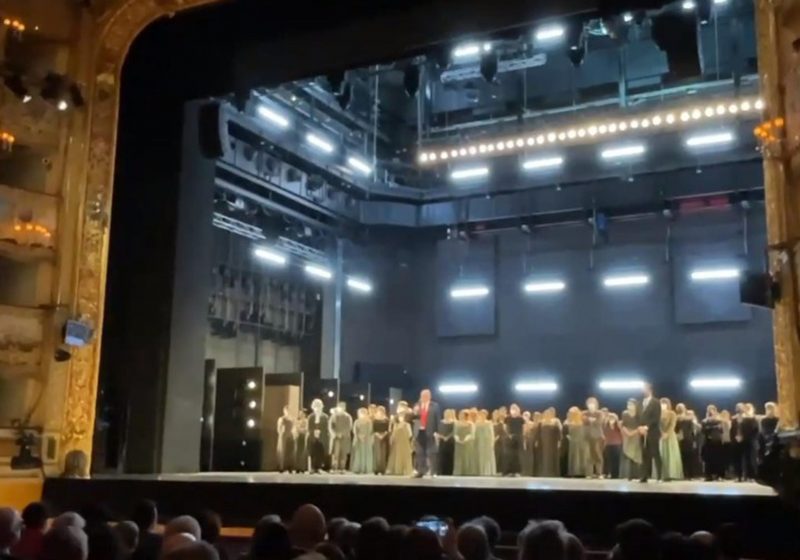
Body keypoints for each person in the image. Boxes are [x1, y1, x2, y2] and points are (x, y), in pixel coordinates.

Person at [412, 389, 441, 477]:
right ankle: (421, 471)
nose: (424, 397)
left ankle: (433, 472)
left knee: (431, 452)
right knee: (419, 452)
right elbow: (413, 418)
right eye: (422, 395)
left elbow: (437, 419)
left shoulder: (435, 406)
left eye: (426, 395)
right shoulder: (417, 405)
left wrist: (437, 432)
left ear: (429, 396)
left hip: (430, 431)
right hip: (419, 431)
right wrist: (414, 412)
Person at [637, 382, 662, 483]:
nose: (643, 391)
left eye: (644, 389)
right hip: (642, 432)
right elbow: (638, 417)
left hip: (652, 432)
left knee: (655, 453)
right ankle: (644, 476)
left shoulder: (656, 402)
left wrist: (647, 427)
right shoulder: (640, 402)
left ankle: (660, 476)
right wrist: (639, 427)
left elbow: (656, 417)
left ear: (650, 390)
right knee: (644, 454)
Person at [733, 403, 759, 482]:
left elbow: (754, 430)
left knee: (749, 459)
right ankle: (739, 476)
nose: (739, 410)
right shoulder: (734, 419)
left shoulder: (750, 418)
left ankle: (750, 476)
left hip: (747, 441)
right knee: (737, 459)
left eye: (741, 408)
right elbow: (732, 430)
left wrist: (744, 437)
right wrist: (734, 438)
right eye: (738, 408)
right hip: (736, 441)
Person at [658, 398, 683, 481]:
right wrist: (661, 433)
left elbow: (672, 425)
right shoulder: (658, 414)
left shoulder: (672, 413)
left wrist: (667, 433)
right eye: (662, 403)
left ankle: (672, 473)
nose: (663, 405)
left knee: (671, 454)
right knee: (662, 454)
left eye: (665, 403)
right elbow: (657, 425)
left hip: (671, 436)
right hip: (661, 436)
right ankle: (663, 474)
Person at [386, 402, 413, 476]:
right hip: (396, 436)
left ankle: (404, 469)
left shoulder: (408, 416)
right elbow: (391, 427)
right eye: (400, 406)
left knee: (405, 453)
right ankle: (395, 469)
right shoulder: (395, 417)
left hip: (405, 437)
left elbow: (410, 429)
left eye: (403, 406)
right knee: (395, 452)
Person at [675, 404, 700, 480]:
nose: (680, 409)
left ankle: (690, 474)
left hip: (688, 438)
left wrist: (694, 439)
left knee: (689, 456)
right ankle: (685, 474)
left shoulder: (689, 417)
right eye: (679, 408)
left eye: (681, 408)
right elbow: (676, 429)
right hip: (680, 439)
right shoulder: (676, 418)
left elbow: (693, 429)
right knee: (683, 456)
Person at [620, 399, 642, 480]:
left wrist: (635, 432)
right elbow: (623, 425)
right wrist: (628, 433)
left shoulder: (639, 414)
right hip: (627, 434)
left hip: (637, 434)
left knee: (636, 454)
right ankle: (629, 475)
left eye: (632, 405)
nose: (630, 406)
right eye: (628, 404)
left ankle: (637, 474)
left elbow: (640, 425)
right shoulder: (625, 414)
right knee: (628, 453)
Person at [701, 405, 725, 481]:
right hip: (708, 441)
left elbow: (721, 430)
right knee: (708, 459)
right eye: (709, 410)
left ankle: (719, 475)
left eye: (712, 410)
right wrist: (714, 427)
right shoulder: (705, 421)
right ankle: (708, 475)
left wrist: (713, 427)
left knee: (718, 458)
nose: (711, 412)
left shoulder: (719, 420)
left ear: (715, 411)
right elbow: (703, 430)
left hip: (717, 441)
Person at [537, 408, 561, 477]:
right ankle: (544, 472)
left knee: (551, 457)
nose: (547, 415)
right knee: (543, 457)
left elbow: (558, 433)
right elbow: (538, 433)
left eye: (549, 414)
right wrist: (537, 441)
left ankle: (552, 473)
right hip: (543, 443)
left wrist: (559, 441)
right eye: (546, 414)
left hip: (552, 443)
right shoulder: (541, 423)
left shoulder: (554, 422)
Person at [583, 397, 604, 478]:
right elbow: (584, 420)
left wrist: (590, 420)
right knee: (588, 455)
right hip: (587, 437)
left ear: (596, 405)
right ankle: (589, 473)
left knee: (598, 455)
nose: (591, 405)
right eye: (589, 404)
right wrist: (591, 420)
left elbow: (599, 422)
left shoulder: (599, 413)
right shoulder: (584, 413)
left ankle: (599, 473)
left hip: (598, 437)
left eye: (592, 404)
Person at [565, 407, 587, 478]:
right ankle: (573, 472)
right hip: (573, 441)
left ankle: (581, 472)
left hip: (581, 441)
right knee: (574, 456)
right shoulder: (568, 421)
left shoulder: (582, 421)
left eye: (573, 413)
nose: (571, 414)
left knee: (581, 456)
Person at [351, 407, 374, 474]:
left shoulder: (369, 421)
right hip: (358, 440)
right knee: (358, 454)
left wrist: (364, 436)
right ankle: (358, 468)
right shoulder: (357, 421)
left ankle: (366, 469)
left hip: (367, 440)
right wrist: (359, 436)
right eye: (361, 413)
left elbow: (370, 430)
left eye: (363, 413)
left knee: (366, 454)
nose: (362, 414)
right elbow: (354, 430)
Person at [474, 409, 497, 476]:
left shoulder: (489, 423)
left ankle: (487, 471)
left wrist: (492, 443)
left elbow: (492, 434)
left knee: (487, 457)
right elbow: (475, 433)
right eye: (481, 414)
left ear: (486, 415)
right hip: (479, 441)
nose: (482, 416)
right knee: (480, 456)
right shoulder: (477, 423)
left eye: (483, 414)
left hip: (487, 441)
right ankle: (480, 471)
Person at [454, 409, 476, 476]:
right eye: (460, 414)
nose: (460, 416)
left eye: (462, 414)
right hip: (458, 443)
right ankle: (458, 472)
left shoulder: (470, 424)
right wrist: (457, 439)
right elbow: (455, 433)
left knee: (467, 457)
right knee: (459, 457)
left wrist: (466, 440)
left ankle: (468, 472)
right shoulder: (457, 423)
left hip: (467, 443)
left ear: (466, 416)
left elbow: (472, 434)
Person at [504, 404, 525, 476]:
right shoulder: (507, 418)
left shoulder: (521, 419)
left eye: (515, 409)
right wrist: (508, 434)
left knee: (517, 455)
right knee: (509, 455)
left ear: (518, 410)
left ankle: (517, 472)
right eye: (512, 409)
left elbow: (524, 428)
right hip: (510, 438)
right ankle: (508, 471)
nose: (513, 410)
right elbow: (505, 427)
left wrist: (521, 436)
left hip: (518, 438)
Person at [436, 409, 456, 476]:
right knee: (441, 456)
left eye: (448, 413)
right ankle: (441, 472)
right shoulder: (440, 422)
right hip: (442, 441)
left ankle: (449, 472)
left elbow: (454, 431)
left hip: (450, 441)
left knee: (450, 457)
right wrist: (440, 436)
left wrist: (448, 437)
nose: (447, 415)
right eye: (446, 413)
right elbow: (437, 431)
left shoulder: (453, 422)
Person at [602, 413, 622, 479]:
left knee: (616, 460)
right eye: (610, 419)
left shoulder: (618, 426)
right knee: (608, 460)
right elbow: (604, 434)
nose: (611, 420)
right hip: (608, 444)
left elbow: (621, 432)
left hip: (617, 444)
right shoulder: (605, 426)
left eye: (613, 419)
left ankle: (616, 474)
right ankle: (608, 473)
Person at [371, 406, 390, 475]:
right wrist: (378, 435)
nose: (380, 412)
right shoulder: (375, 420)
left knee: (383, 454)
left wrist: (383, 435)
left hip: (384, 437)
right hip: (376, 437)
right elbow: (373, 429)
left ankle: (382, 469)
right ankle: (376, 469)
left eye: (381, 411)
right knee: (377, 453)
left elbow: (388, 429)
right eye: (379, 411)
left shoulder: (386, 420)